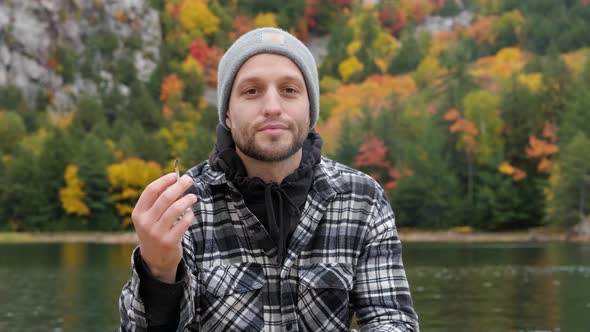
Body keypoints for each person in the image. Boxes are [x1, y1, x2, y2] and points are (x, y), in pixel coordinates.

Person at [119, 27, 419, 332]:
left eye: (289, 90)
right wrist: (158, 271)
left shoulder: (362, 198)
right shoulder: (184, 205)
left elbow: (392, 321)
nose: (272, 107)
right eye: (252, 91)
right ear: (227, 114)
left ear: (310, 109)